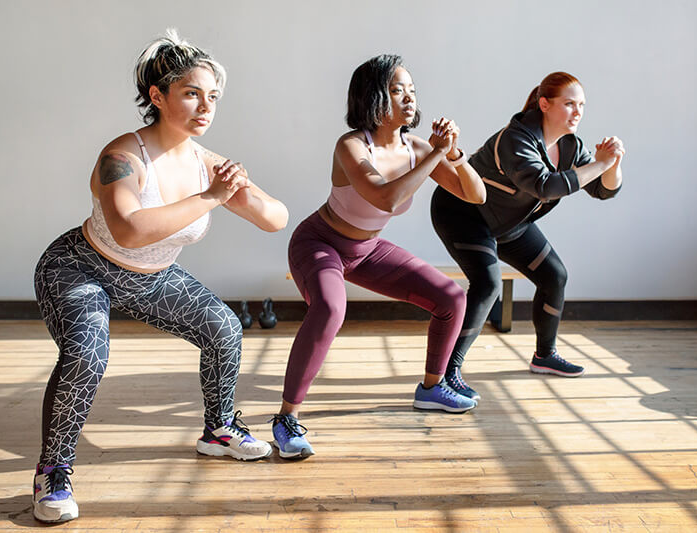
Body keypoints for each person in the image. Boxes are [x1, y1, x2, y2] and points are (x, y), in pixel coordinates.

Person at [31, 30, 288, 523]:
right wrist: (212, 197)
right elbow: (128, 230)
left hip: (151, 276)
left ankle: (218, 430)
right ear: (157, 96)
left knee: (224, 328)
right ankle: (53, 471)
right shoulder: (122, 157)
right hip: (79, 267)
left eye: (212, 96)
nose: (205, 107)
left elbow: (275, 218)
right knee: (87, 352)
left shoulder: (206, 164)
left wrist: (240, 190)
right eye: (191, 93)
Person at [270, 54, 487, 459]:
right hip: (320, 243)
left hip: (367, 249)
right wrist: (435, 154)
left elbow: (477, 195)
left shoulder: (417, 147)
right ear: (373, 97)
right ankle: (286, 418)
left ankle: (432, 387)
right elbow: (386, 197)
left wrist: (453, 153)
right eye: (396, 90)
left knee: (451, 297)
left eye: (412, 90)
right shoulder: (352, 145)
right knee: (331, 310)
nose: (409, 98)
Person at [430, 71, 625, 399]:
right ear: (545, 104)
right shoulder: (515, 138)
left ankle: (544, 356)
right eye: (569, 104)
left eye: (581, 105)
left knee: (555, 276)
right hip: (463, 214)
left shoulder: (570, 145)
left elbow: (603, 192)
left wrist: (613, 163)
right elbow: (545, 187)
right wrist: (600, 164)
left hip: (509, 221)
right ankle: (447, 372)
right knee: (488, 284)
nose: (577, 112)